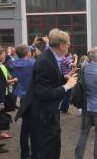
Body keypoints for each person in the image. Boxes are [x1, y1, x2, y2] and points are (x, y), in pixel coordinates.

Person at [15, 28, 78, 159]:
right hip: (43, 117)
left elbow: (50, 80)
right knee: (46, 152)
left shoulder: (51, 57)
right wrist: (67, 86)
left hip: (47, 114)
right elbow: (43, 93)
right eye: (68, 44)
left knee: (51, 149)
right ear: (61, 45)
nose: (69, 46)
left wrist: (64, 77)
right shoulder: (45, 61)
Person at [12, 44, 36, 159]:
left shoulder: (15, 63)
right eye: (29, 51)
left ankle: (24, 154)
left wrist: (32, 45)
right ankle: (34, 153)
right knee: (34, 127)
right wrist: (47, 45)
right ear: (28, 53)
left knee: (25, 127)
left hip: (22, 97)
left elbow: (20, 53)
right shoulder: (32, 63)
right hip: (33, 98)